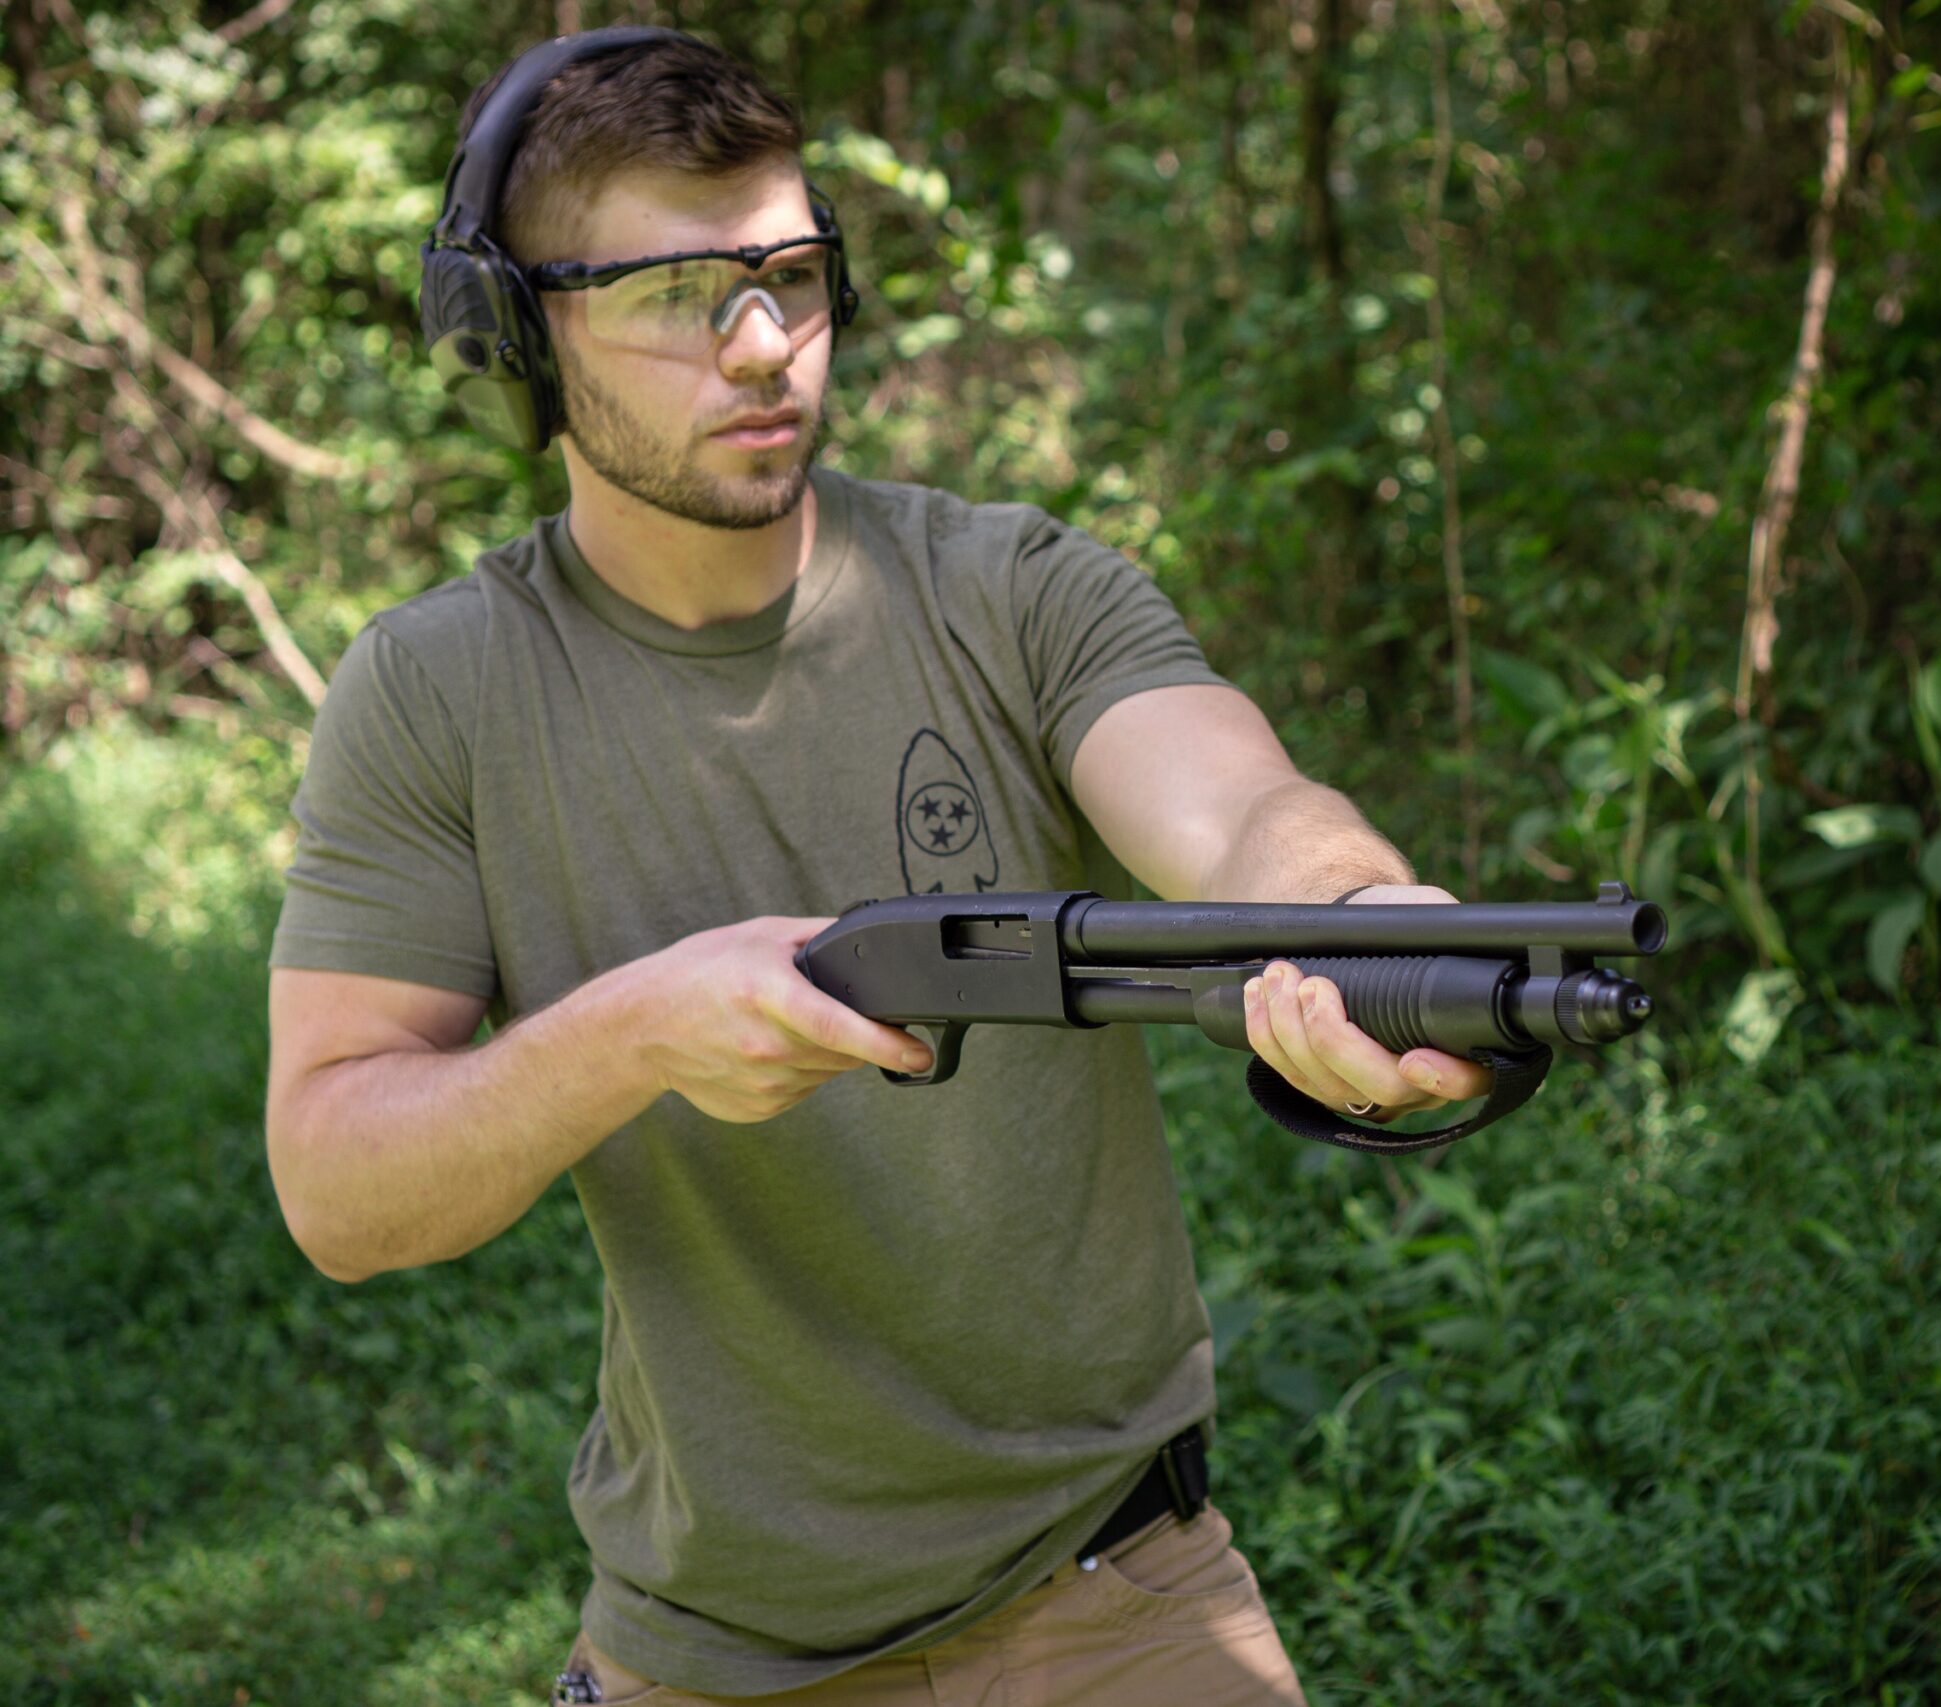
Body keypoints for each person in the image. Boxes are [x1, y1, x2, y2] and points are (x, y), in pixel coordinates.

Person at [262, 28, 1493, 1706]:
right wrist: (639, 1033)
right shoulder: (437, 694)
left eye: (789, 274)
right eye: (677, 292)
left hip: (1120, 1593)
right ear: (519, 331)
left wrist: (1361, 916)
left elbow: (1239, 811)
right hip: (711, 1649)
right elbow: (337, 1185)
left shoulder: (1016, 592)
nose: (764, 346)